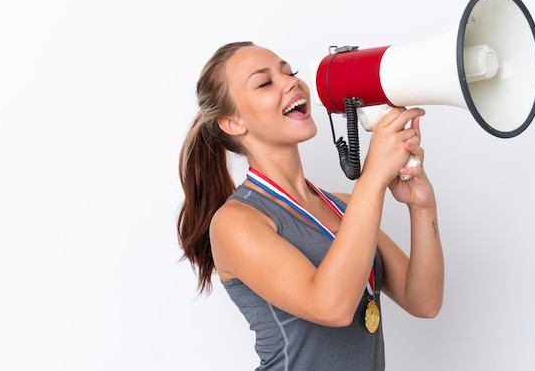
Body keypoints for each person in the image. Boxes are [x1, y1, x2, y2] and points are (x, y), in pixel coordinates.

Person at [177, 41, 444, 371]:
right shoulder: (235, 222)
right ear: (233, 123)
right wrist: (373, 177)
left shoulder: (346, 206)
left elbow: (424, 301)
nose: (291, 82)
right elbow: (332, 307)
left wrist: (422, 208)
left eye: (290, 72)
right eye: (265, 82)